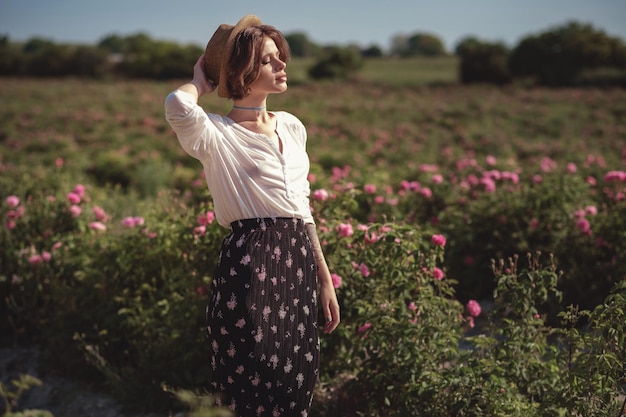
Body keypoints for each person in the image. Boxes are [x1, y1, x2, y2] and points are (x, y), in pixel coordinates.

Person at [164, 15, 340, 417]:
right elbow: (176, 105)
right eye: (268, 61)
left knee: (298, 384)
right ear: (242, 72)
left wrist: (324, 279)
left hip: (297, 265)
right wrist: (201, 81)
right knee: (256, 387)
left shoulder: (292, 127)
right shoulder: (216, 134)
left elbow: (301, 204)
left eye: (280, 58)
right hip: (251, 266)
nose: (282, 66)